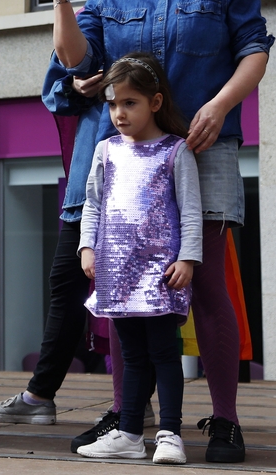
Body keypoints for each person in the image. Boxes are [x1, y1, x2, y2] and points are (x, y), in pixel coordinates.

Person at [48, 0, 274, 463]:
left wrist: (219, 105)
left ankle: (224, 420)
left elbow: (255, 49)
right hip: (131, 160)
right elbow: (76, 58)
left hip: (208, 148)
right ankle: (131, 424)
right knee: (126, 284)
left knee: (206, 283)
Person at [0, 0, 156, 442]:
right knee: (67, 286)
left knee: (135, 296)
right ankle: (40, 397)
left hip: (138, 177)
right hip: (87, 179)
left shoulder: (158, 7)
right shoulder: (88, 10)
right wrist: (80, 84)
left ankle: (138, 408)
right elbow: (54, 93)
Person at [73, 53, 201, 465]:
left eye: (130, 103)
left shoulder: (175, 152)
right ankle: (129, 433)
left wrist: (188, 259)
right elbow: (91, 203)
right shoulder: (106, 150)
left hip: (161, 272)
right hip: (116, 271)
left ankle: (169, 434)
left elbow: (192, 209)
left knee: (165, 352)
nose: (119, 113)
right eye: (112, 104)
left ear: (156, 103)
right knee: (129, 355)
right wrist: (87, 247)